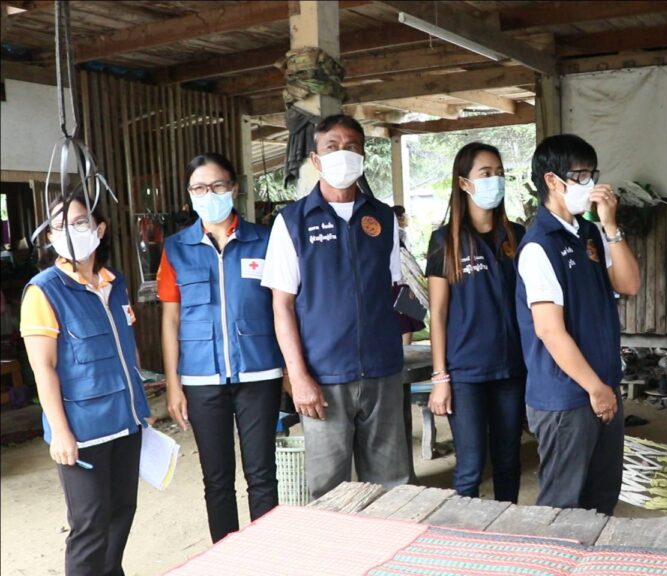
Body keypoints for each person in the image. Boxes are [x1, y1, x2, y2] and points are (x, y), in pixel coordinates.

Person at [261, 113, 409, 499]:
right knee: (330, 491)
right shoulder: (292, 222)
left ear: (363, 157)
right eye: (332, 147)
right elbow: (282, 307)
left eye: (351, 147)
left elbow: (392, 289)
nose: (343, 154)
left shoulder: (383, 218)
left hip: (382, 372)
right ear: (316, 159)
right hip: (323, 377)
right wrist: (298, 377)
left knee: (392, 485)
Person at [21, 188, 150, 575]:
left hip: (125, 423)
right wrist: (60, 432)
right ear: (50, 237)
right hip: (82, 431)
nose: (70, 232)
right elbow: (43, 368)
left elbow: (127, 349)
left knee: (122, 512)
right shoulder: (44, 291)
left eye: (79, 222)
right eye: (59, 227)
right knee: (90, 525)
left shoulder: (115, 282)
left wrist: (139, 406)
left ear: (100, 228)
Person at [157, 153, 284, 543]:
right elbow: (171, 319)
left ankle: (267, 558)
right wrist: (174, 385)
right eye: (199, 188)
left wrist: (289, 369)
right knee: (216, 480)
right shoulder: (175, 248)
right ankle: (226, 559)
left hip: (259, 371)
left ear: (234, 188)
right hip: (201, 378)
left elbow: (283, 308)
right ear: (189, 194)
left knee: (262, 475)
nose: (208, 194)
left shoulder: (266, 240)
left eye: (217, 186)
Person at [516, 134, 640, 515]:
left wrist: (610, 226)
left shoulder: (590, 234)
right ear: (552, 181)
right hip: (567, 398)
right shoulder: (539, 245)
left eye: (592, 174)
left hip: (603, 386)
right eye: (580, 175)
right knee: (562, 507)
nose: (591, 184)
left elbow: (629, 284)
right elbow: (549, 331)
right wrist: (596, 389)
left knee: (601, 499)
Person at [426, 142, 526, 502]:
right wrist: (440, 378)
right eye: (485, 173)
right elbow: (437, 313)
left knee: (508, 460)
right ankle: (462, 533)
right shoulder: (444, 241)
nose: (494, 180)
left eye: (499, 173)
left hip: (511, 368)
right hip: (465, 372)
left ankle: (506, 529)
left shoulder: (517, 236)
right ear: (464, 183)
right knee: (470, 466)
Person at [391, 204, 426, 345]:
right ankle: (406, 350)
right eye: (404, 216)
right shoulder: (401, 234)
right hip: (404, 280)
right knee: (407, 321)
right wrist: (413, 285)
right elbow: (407, 260)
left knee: (402, 320)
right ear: (399, 218)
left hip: (395, 281)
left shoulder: (390, 233)